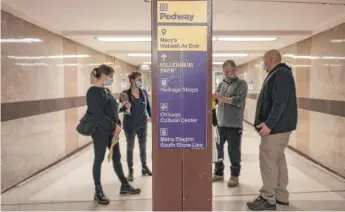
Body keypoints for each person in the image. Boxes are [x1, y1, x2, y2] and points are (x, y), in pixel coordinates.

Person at [246, 49, 298, 211]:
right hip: (280, 128)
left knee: (268, 161)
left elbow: (280, 101)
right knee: (278, 161)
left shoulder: (280, 74)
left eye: (265, 60)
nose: (263, 63)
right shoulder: (279, 74)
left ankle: (267, 198)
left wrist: (269, 124)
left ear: (272, 59)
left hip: (276, 129)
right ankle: (281, 195)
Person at [86, 65, 141, 205]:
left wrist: (123, 108)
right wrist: (114, 126)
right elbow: (98, 115)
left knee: (117, 157)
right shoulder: (92, 92)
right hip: (100, 132)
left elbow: (112, 110)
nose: (111, 79)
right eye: (110, 77)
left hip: (112, 131)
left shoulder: (106, 90)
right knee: (98, 159)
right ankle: (98, 191)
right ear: (104, 75)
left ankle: (124, 185)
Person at [212, 60, 248, 187]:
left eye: (228, 71)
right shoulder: (221, 84)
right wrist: (213, 98)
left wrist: (221, 98)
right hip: (220, 123)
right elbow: (216, 100)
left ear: (234, 69)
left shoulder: (241, 84)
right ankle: (218, 173)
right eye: (224, 71)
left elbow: (238, 101)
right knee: (218, 149)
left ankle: (234, 176)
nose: (226, 73)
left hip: (234, 125)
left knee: (233, 151)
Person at [119, 71, 152, 182]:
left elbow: (148, 107)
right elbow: (121, 109)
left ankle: (144, 167)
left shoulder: (143, 92)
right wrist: (125, 107)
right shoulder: (125, 94)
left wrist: (151, 117)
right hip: (130, 125)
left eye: (141, 80)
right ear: (132, 80)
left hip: (142, 124)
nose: (140, 81)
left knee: (143, 146)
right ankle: (130, 170)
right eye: (138, 79)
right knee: (130, 147)